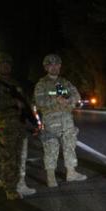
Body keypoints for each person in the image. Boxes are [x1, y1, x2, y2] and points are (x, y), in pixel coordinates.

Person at [0, 52, 37, 200]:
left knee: (20, 158)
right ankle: (10, 189)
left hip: (20, 126)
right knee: (9, 159)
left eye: (8, 64)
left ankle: (20, 185)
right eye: (3, 64)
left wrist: (32, 120)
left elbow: (26, 103)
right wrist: (14, 102)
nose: (6, 66)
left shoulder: (15, 84)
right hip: (6, 127)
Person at [34, 53, 87, 188]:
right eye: (51, 65)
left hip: (67, 120)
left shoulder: (64, 82)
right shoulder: (42, 85)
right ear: (46, 67)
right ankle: (51, 177)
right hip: (51, 122)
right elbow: (39, 102)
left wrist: (68, 100)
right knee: (51, 148)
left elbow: (76, 95)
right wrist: (55, 100)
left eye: (57, 64)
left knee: (70, 146)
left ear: (60, 66)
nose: (54, 67)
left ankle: (71, 172)